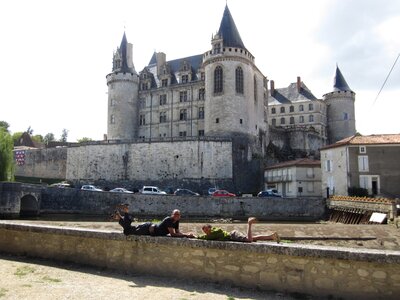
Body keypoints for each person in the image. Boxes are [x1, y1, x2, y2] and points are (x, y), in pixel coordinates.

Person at [112, 206, 194, 238]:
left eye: (178, 215)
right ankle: (125, 213)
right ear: (172, 215)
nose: (177, 216)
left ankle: (119, 217)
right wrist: (187, 235)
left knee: (129, 229)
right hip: (148, 228)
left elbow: (177, 232)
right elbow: (172, 234)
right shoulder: (169, 219)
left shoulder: (176, 221)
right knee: (128, 231)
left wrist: (186, 234)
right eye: (175, 214)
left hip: (150, 229)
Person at [197, 217, 280, 243]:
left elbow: (205, 237)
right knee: (253, 238)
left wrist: (193, 235)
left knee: (249, 240)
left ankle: (249, 223)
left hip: (233, 235)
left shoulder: (214, 233)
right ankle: (271, 236)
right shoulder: (214, 231)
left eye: (206, 230)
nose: (206, 232)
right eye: (204, 231)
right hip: (233, 235)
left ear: (210, 228)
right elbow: (206, 236)